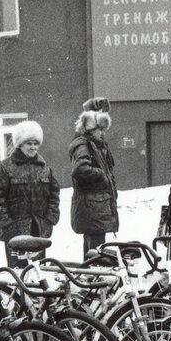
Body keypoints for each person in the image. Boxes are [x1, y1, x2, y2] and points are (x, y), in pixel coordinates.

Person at [0, 120, 60, 267]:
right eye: (29, 143)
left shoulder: (44, 167)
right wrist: (7, 225)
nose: (33, 147)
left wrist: (49, 219)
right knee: (18, 275)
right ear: (20, 144)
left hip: (39, 231)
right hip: (16, 233)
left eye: (35, 143)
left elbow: (54, 195)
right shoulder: (6, 167)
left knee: (39, 275)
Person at [69, 97, 118, 255]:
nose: (103, 133)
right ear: (90, 129)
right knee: (95, 252)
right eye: (100, 130)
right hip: (92, 208)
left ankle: (92, 277)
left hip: (96, 208)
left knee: (95, 251)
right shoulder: (83, 144)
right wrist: (101, 175)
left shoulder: (96, 144)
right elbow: (80, 170)